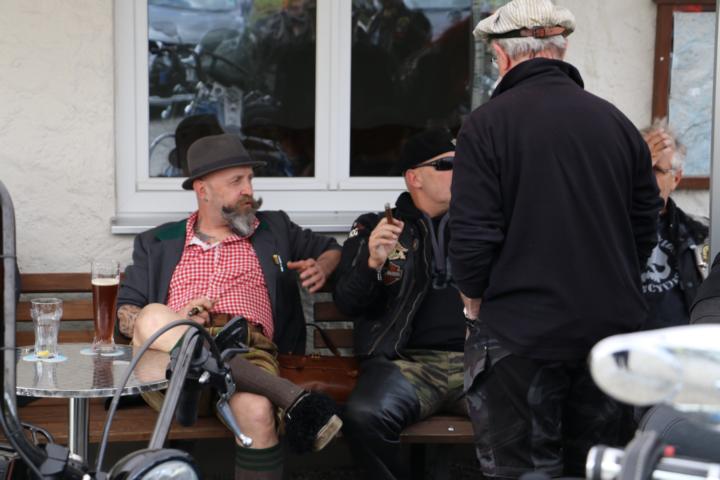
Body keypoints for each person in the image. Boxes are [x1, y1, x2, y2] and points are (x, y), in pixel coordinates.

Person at [448, 0, 664, 477]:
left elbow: (472, 237)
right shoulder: (616, 123)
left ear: (502, 55)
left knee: (525, 470)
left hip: (522, 335)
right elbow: (646, 220)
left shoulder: (486, 125)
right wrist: (615, 276)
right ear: (562, 50)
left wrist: (473, 305)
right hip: (609, 334)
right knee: (599, 468)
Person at [117, 133, 342, 480]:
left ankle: (210, 361)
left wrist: (322, 267)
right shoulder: (158, 240)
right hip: (172, 363)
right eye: (236, 181)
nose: (248, 189)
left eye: (250, 179)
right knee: (151, 316)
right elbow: (126, 315)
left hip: (249, 352)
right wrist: (180, 319)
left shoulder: (274, 228)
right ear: (202, 190)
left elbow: (332, 249)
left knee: (258, 411)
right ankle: (291, 397)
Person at [334, 129, 465, 480]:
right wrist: (372, 263)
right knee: (365, 415)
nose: (462, 171)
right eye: (448, 165)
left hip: (478, 363)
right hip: (406, 365)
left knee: (534, 408)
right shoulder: (375, 227)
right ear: (414, 178)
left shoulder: (481, 225)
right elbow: (348, 303)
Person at [640, 120, 709, 329]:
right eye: (640, 167)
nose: (645, 177)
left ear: (676, 178)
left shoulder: (701, 233)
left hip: (685, 345)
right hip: (627, 346)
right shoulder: (607, 228)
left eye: (655, 169)